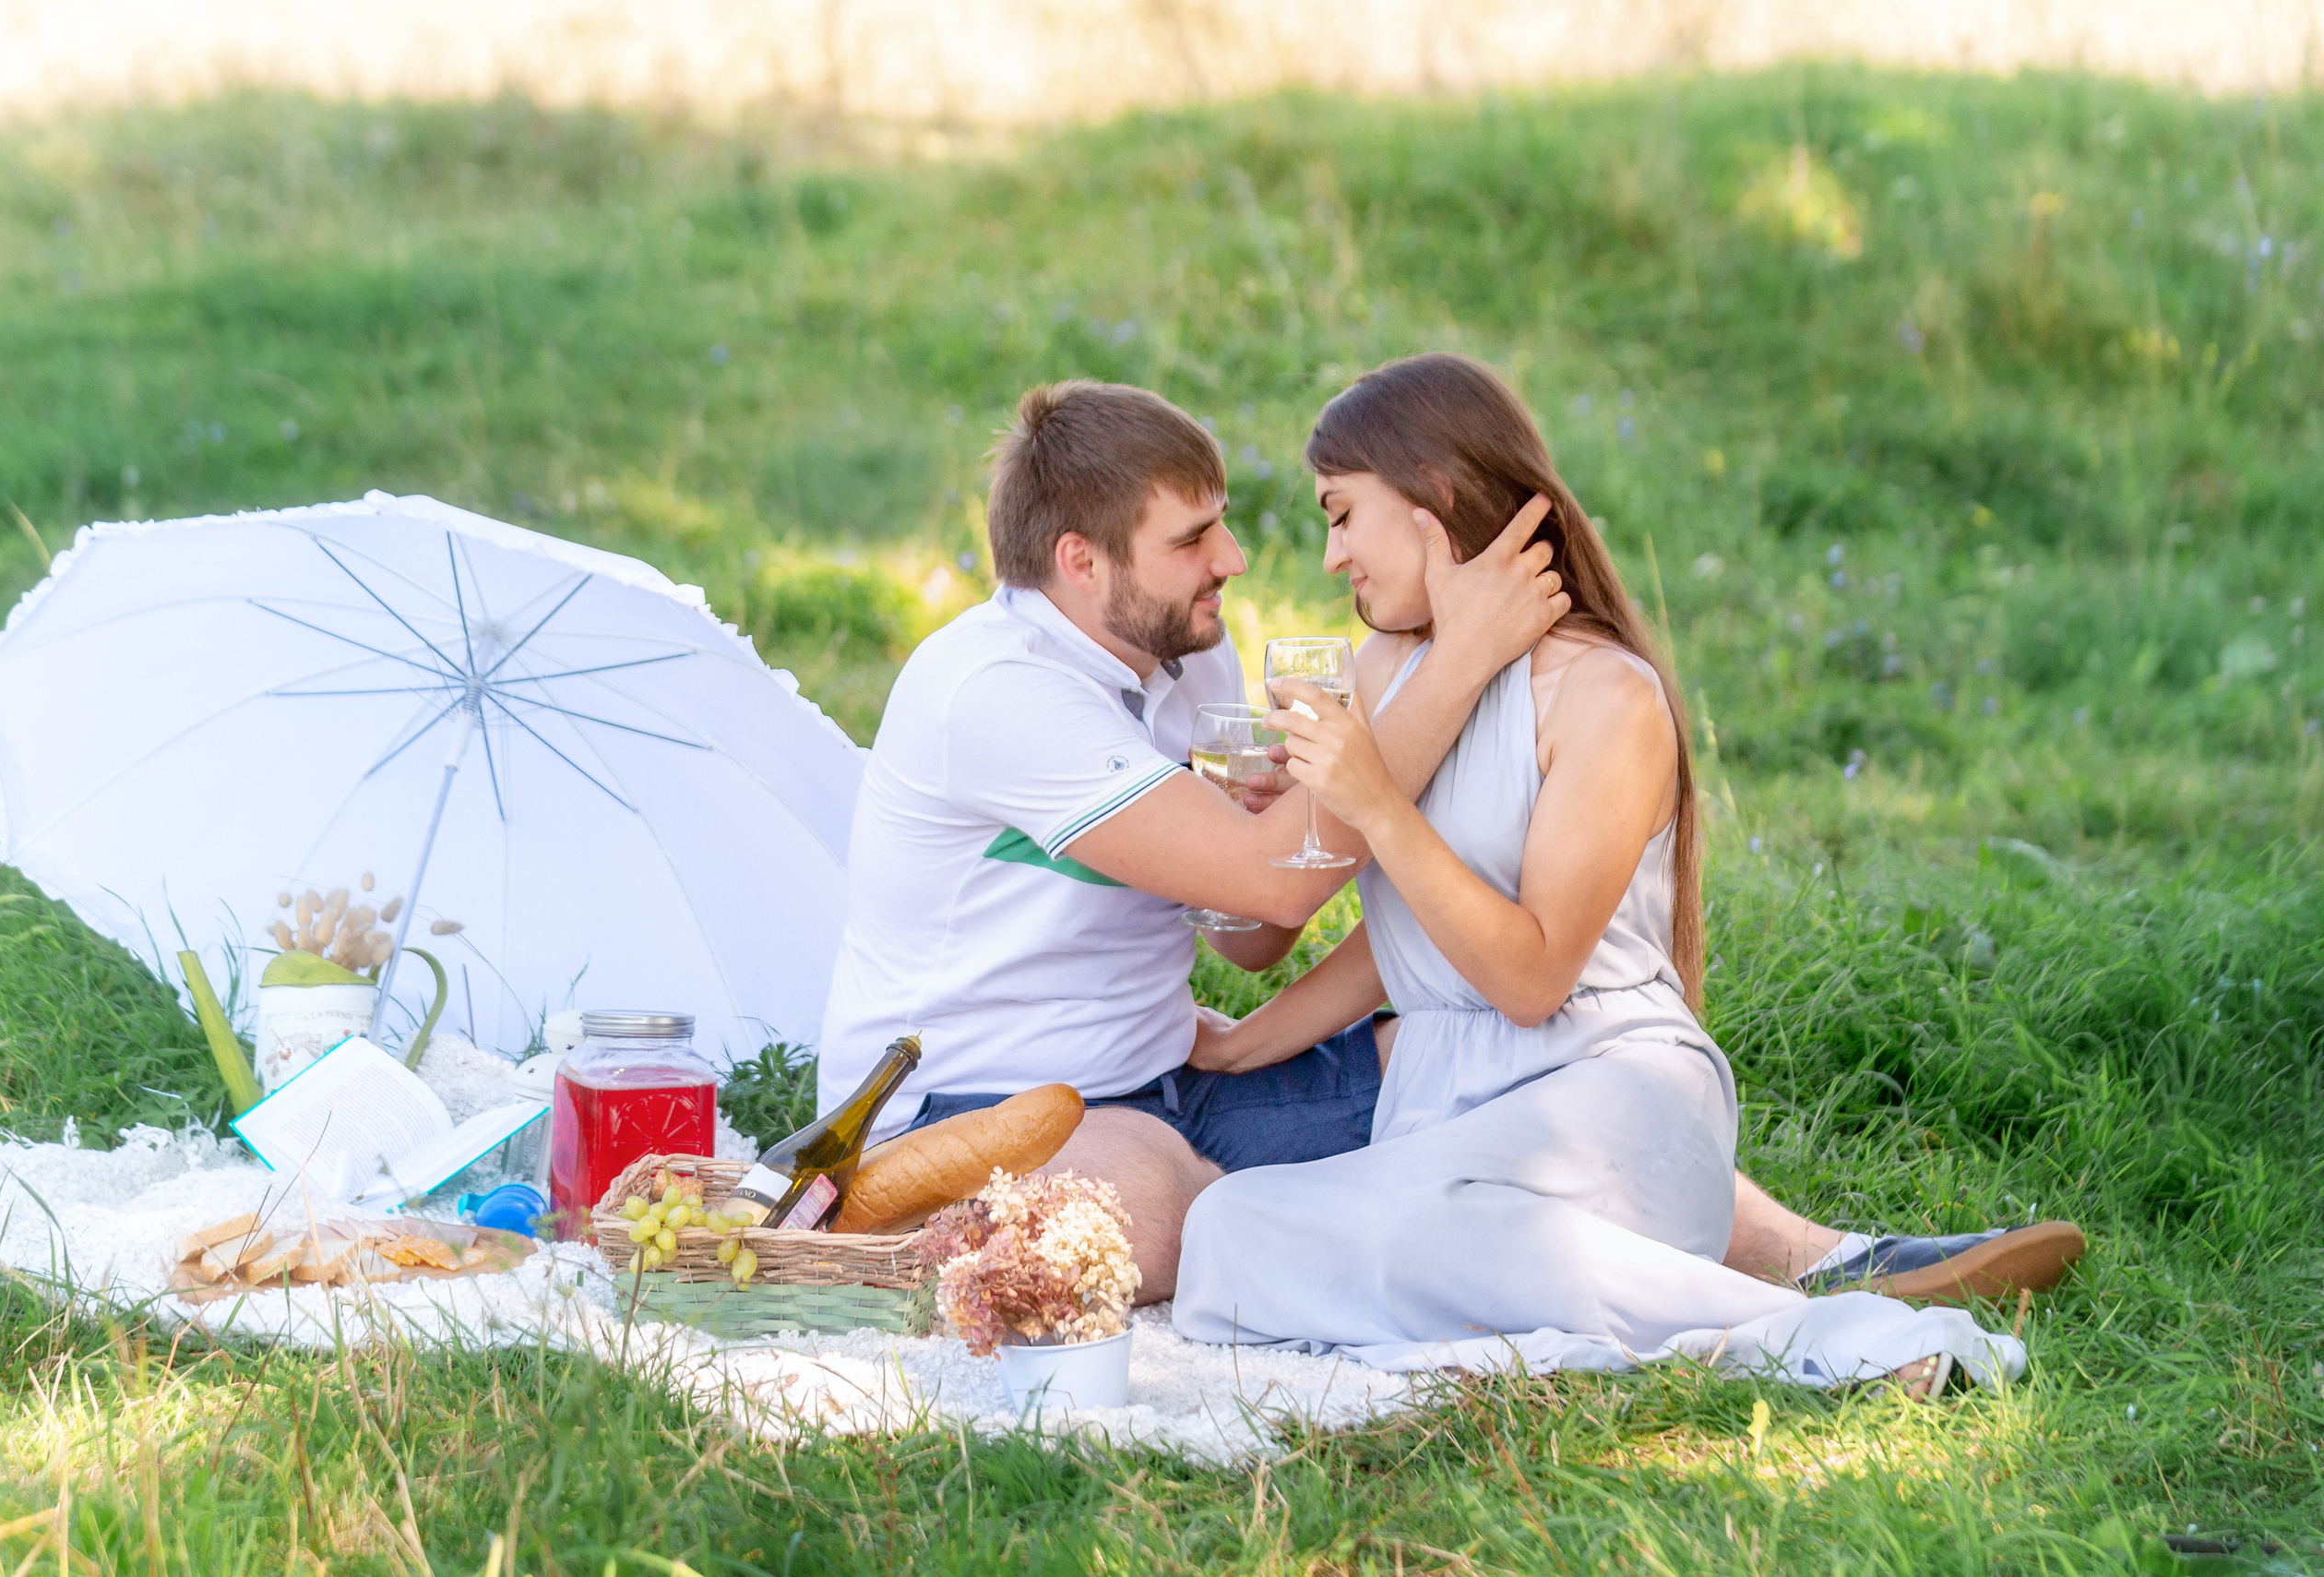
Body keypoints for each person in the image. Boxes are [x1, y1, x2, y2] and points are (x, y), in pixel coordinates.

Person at [818, 376, 2082, 1313]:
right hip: (971, 1102)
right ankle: (1446, 1257)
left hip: (1167, 1074)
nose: (1240, 560)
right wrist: (1444, 678)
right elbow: (1280, 875)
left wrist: (1283, 847)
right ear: (1080, 562)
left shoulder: (1191, 671)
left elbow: (1256, 931)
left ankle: (1817, 1258)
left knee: (1487, 1071)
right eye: (1194, 539)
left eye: (1231, 524)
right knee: (1172, 1205)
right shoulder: (991, 690)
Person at [1171, 353, 2068, 1392]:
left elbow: (1530, 976)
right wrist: (1242, 1046)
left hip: (1607, 1094)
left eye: (1341, 514)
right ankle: (1700, 1306)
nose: (1331, 556)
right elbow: (1406, 935)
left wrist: (1373, 799)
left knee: (1401, 1234)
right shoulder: (1383, 671)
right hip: (1441, 1111)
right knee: (1231, 1230)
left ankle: (1843, 1340)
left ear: (1434, 502)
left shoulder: (1603, 693)